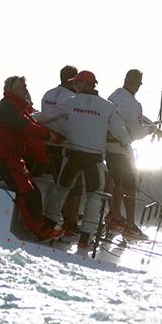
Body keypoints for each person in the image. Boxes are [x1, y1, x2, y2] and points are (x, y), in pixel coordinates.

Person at [43, 70, 131, 249]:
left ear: (83, 84)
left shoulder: (69, 103)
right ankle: (85, 239)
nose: (74, 86)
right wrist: (126, 143)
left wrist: (26, 119)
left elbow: (45, 118)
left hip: (73, 156)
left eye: (76, 83)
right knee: (94, 197)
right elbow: (120, 132)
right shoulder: (108, 107)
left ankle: (47, 228)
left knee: (60, 191)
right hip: (94, 159)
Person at [0, 76, 66, 241]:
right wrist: (49, 136)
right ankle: (39, 231)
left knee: (33, 191)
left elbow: (33, 123)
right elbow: (26, 125)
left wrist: (55, 136)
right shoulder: (7, 105)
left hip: (14, 159)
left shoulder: (17, 106)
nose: (26, 88)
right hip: (5, 159)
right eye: (22, 86)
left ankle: (38, 227)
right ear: (11, 88)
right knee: (26, 192)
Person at [106, 69, 162, 239]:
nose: (140, 84)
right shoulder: (134, 104)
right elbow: (138, 132)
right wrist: (150, 130)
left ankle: (115, 216)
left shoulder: (116, 94)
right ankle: (125, 223)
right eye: (139, 81)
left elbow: (133, 117)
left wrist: (153, 127)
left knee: (117, 182)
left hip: (108, 147)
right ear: (136, 82)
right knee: (129, 187)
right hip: (120, 149)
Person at [41, 65, 83, 236]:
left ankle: (57, 219)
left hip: (46, 145)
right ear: (72, 80)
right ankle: (69, 222)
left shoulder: (47, 94)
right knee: (71, 184)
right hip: (63, 146)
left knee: (59, 183)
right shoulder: (73, 98)